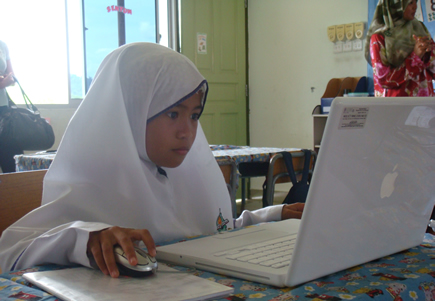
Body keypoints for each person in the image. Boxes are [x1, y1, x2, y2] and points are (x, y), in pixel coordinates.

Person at [0, 43, 304, 277]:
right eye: (173, 113)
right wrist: (85, 239)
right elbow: (9, 254)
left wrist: (274, 215)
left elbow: (211, 232)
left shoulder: (184, 176)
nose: (188, 132)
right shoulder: (87, 181)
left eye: (195, 115)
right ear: (131, 112)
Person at [365, 0, 435, 97]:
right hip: (397, 106)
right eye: (410, 3)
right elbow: (384, 79)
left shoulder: (420, 29)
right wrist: (415, 58)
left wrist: (427, 54)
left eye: (416, 2)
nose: (415, 7)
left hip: (424, 106)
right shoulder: (379, 37)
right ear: (395, 5)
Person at [0, 40, 22, 173]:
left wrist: (7, 80)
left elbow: (11, 77)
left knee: (11, 161)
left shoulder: (2, 45)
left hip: (3, 109)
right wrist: (2, 83)